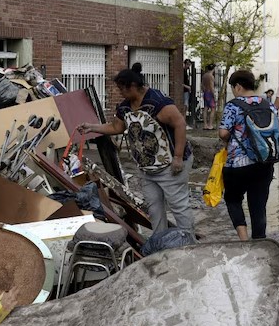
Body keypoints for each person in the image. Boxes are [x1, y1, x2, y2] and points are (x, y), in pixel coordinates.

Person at [77, 65, 194, 234]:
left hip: (170, 165)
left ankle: (187, 241)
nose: (120, 93)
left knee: (178, 205)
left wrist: (178, 156)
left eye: (121, 89)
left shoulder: (158, 102)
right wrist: (91, 127)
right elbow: (115, 127)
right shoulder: (125, 108)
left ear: (132, 86)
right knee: (154, 208)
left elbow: (180, 124)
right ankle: (160, 242)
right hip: (148, 169)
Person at [218, 70, 279, 240]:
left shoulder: (233, 105)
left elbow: (223, 133)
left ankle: (244, 241)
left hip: (237, 164)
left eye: (233, 87)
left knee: (233, 199)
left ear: (238, 86)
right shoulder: (269, 105)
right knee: (258, 205)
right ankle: (260, 242)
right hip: (264, 162)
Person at [201, 64, 217, 130]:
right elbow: (211, 87)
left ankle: (205, 125)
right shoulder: (211, 76)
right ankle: (210, 125)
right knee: (213, 109)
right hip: (210, 93)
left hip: (205, 92)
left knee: (205, 108)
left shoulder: (204, 75)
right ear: (213, 69)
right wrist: (214, 95)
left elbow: (202, 85)